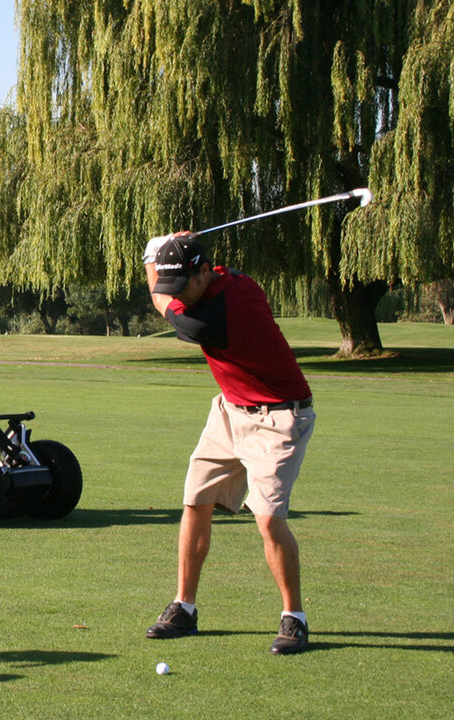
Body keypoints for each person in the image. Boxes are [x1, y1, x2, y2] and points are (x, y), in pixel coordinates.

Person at [141, 233, 316, 655]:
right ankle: (184, 608)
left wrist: (150, 253)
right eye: (171, 283)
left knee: (268, 519)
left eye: (182, 285)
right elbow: (174, 284)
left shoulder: (218, 315)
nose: (176, 293)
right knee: (196, 499)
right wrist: (168, 256)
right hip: (230, 409)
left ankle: (294, 617)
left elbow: (161, 302)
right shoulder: (228, 277)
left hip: (279, 418)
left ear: (204, 271)